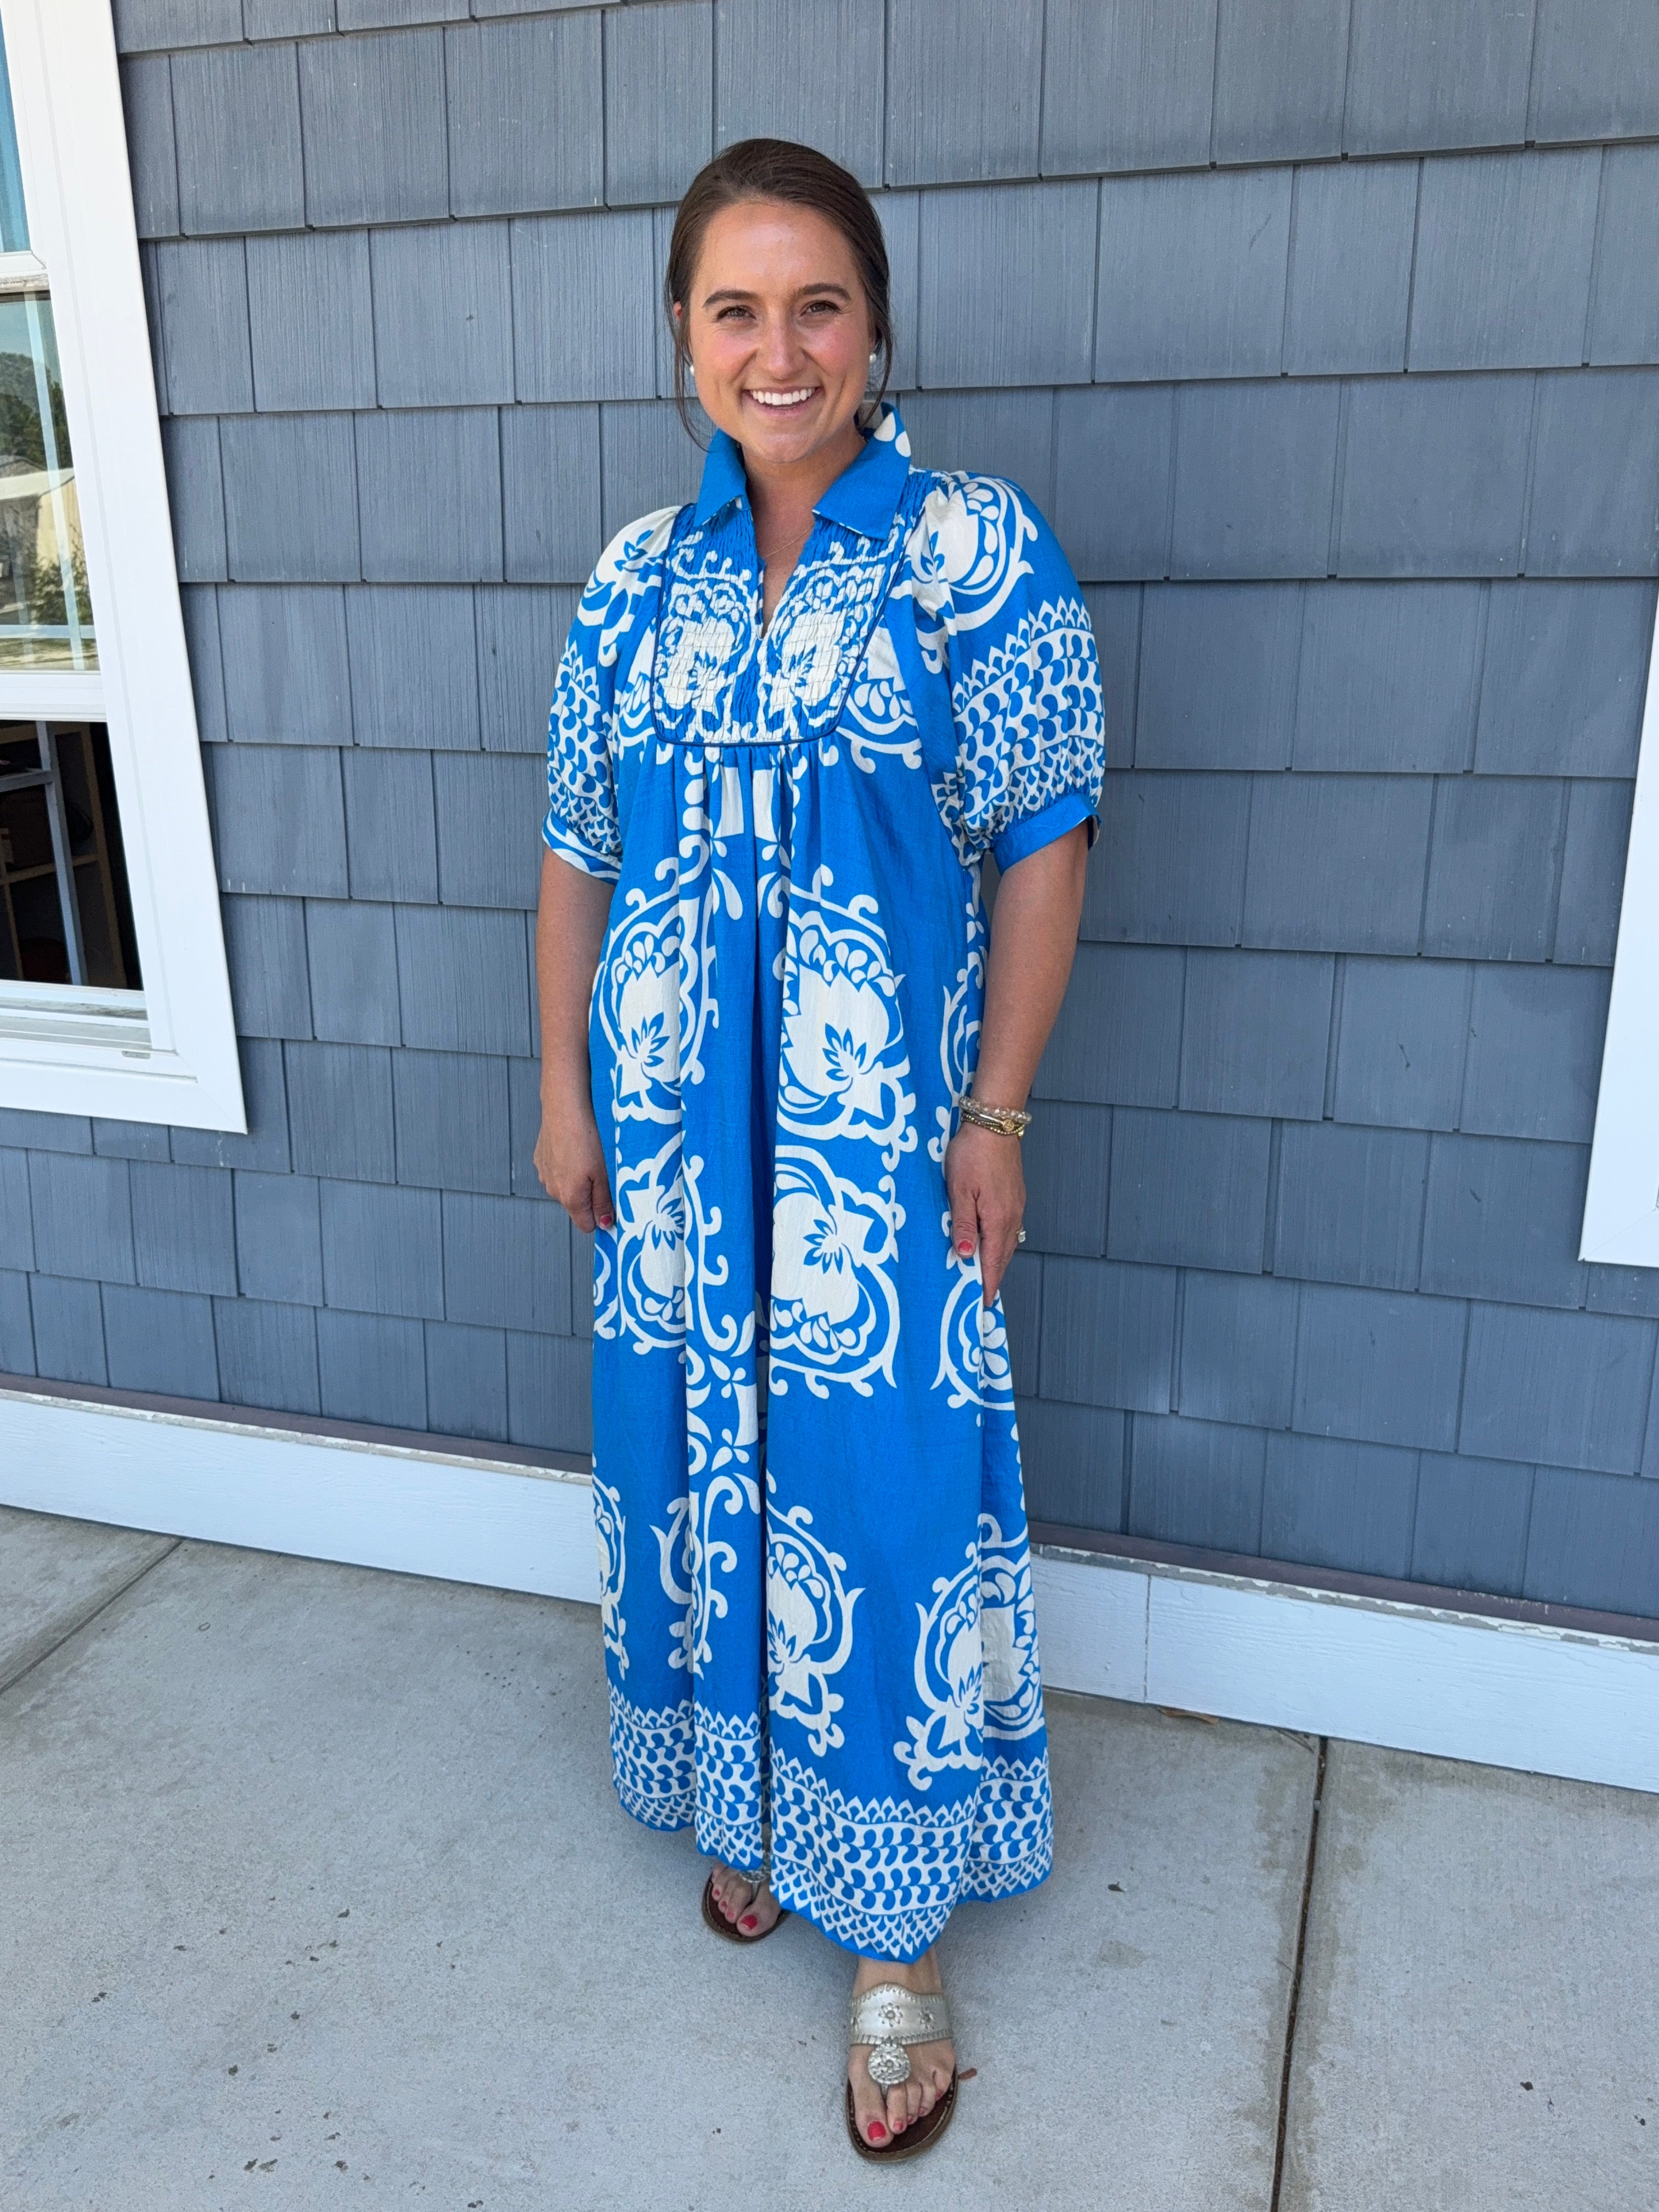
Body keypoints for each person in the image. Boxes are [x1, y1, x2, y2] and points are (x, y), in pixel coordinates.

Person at [534, 137, 1103, 2162]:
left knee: (879, 1497)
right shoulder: (633, 579)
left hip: (878, 1162)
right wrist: (563, 1089)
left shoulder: (972, 551)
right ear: (684, 341)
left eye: (818, 306)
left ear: (876, 327)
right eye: (734, 311)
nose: (779, 351)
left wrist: (997, 1113)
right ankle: (758, 1807)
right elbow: (580, 857)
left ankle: (896, 1938)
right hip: (677, 1150)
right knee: (700, 1461)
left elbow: (1045, 844)